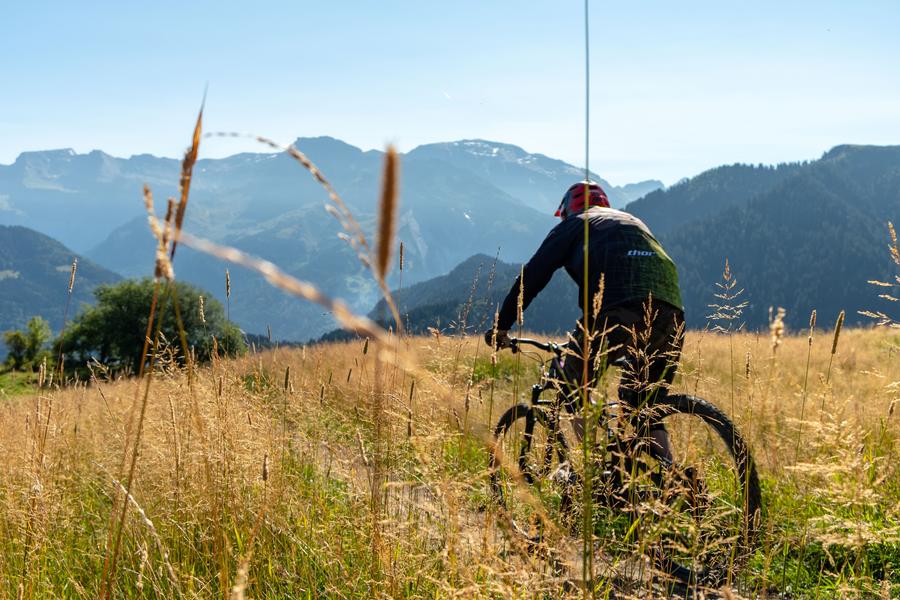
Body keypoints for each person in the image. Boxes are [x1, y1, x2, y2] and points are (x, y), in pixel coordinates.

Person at [484, 181, 684, 461]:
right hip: (671, 310)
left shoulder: (573, 225)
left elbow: (532, 277)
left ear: (568, 210)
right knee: (643, 406)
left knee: (569, 379)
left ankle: (596, 470)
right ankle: (676, 478)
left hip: (617, 308)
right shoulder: (633, 221)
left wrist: (501, 326)